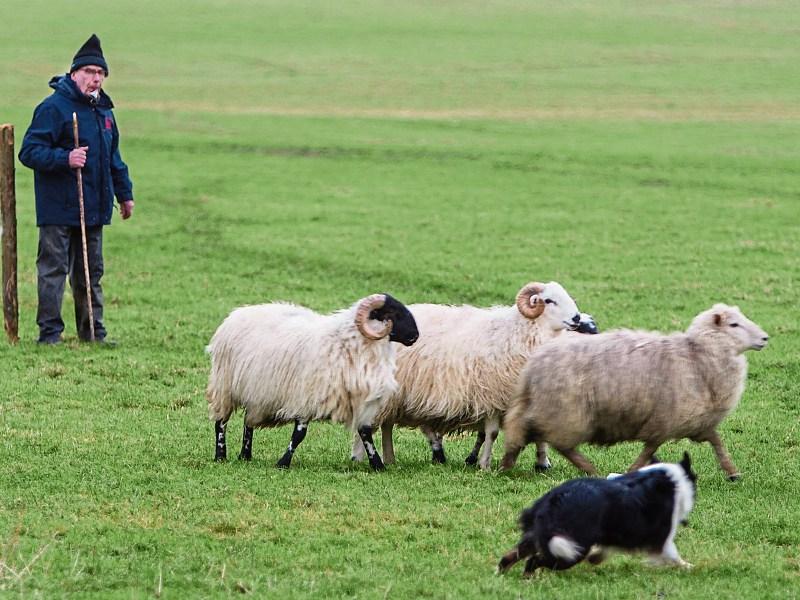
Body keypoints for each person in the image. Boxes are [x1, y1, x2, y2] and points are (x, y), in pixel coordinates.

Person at [19, 34, 134, 344]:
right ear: (74, 73)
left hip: (93, 207)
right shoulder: (53, 108)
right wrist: (64, 158)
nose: (95, 79)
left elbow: (114, 158)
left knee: (89, 273)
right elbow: (28, 151)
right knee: (53, 272)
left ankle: (93, 332)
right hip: (58, 208)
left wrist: (125, 195)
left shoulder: (104, 113)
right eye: (89, 72)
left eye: (100, 74)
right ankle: (50, 334)